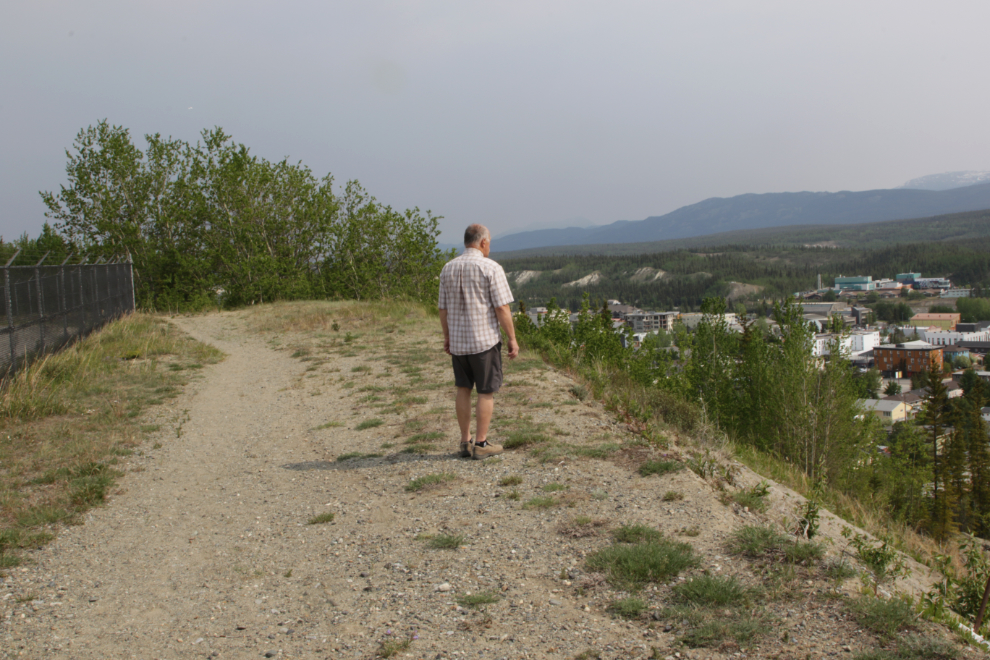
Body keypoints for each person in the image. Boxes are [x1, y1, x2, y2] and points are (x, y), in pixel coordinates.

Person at [438, 224, 519, 459]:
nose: (490, 246)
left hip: (459, 343)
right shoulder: (491, 267)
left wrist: (447, 336)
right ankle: (481, 444)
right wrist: (512, 338)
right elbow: (502, 308)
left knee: (463, 388)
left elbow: (442, 309)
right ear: (483, 242)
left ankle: (465, 442)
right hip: (484, 341)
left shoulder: (447, 268)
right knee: (486, 392)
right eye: (489, 242)